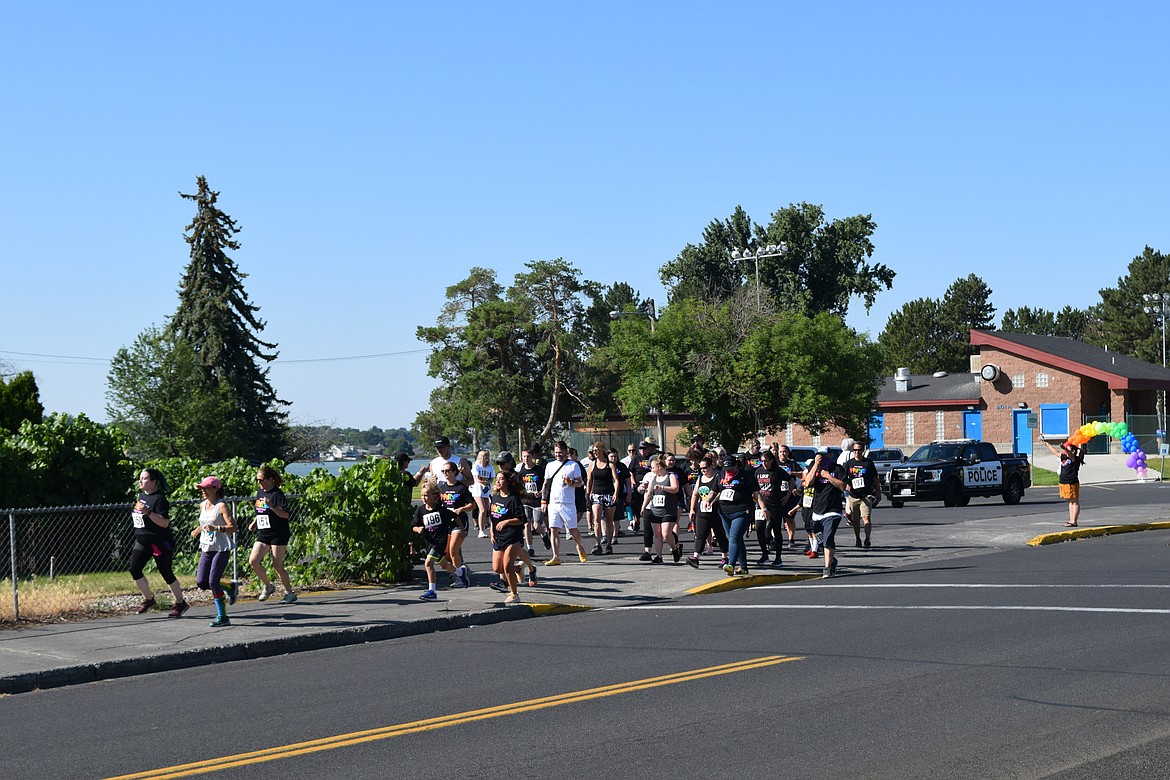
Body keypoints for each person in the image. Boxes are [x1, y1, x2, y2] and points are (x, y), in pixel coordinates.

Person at [129, 468, 188, 617]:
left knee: (166, 573)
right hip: (142, 541)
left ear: (154, 481)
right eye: (140, 478)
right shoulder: (141, 495)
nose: (140, 481)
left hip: (159, 542)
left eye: (144, 479)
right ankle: (149, 600)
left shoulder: (159, 499)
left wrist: (148, 512)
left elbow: (164, 523)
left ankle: (180, 602)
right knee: (134, 569)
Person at [192, 476, 237, 627]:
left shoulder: (221, 506)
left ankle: (223, 617)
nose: (203, 491)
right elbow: (204, 522)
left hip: (221, 548)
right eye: (202, 488)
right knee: (202, 582)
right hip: (207, 546)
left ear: (215, 489)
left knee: (213, 581)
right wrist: (198, 529)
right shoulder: (202, 505)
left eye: (206, 488)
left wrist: (217, 528)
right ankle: (229, 587)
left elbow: (233, 527)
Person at [249, 465, 297, 603]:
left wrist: (272, 506)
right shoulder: (260, 493)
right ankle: (268, 586)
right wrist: (254, 522)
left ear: (270, 479)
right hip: (264, 532)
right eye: (257, 480)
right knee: (253, 561)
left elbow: (285, 514)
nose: (259, 483)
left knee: (277, 565)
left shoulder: (277, 494)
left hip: (278, 533)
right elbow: (260, 512)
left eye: (261, 480)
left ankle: (289, 592)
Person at [540, 440, 588, 565]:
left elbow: (580, 483)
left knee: (572, 529)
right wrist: (543, 501)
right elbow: (546, 484)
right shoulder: (550, 466)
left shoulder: (573, 465)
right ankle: (556, 556)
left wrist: (571, 482)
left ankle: (579, 545)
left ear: (566, 452)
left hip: (568, 502)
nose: (558, 455)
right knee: (553, 529)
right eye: (556, 453)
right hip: (553, 503)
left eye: (560, 453)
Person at [412, 484, 460, 600]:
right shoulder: (420, 510)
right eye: (422, 495)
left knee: (428, 563)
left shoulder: (441, 510)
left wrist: (462, 530)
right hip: (429, 541)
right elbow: (413, 525)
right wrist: (418, 529)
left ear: (434, 496)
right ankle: (460, 572)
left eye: (426, 495)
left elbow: (455, 516)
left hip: (439, 542)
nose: (423, 498)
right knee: (444, 565)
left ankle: (432, 591)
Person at [489, 472, 528, 605]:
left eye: (501, 479)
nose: (498, 481)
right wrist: (492, 532)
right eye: (497, 479)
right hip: (499, 537)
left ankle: (514, 594)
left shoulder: (513, 499)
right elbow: (493, 518)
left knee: (506, 566)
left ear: (507, 482)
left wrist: (507, 522)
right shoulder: (494, 498)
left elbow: (522, 519)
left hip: (513, 537)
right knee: (497, 569)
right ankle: (518, 569)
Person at [717, 453, 759, 576]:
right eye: (726, 469)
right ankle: (744, 567)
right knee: (735, 539)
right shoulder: (720, 475)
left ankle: (731, 565)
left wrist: (764, 508)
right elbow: (715, 491)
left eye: (730, 469)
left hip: (742, 510)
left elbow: (756, 494)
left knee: (734, 537)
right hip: (724, 511)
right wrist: (708, 501)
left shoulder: (747, 476)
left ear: (736, 466)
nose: (728, 472)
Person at [809, 447, 849, 578]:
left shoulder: (838, 469)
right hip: (817, 510)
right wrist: (815, 465)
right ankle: (832, 559)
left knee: (828, 537)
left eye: (825, 455)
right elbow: (808, 482)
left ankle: (827, 568)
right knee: (818, 536)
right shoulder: (814, 467)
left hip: (833, 510)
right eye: (820, 455)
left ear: (830, 455)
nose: (823, 458)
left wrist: (827, 476)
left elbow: (843, 486)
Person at [637, 454, 682, 563]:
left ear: (659, 467)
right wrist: (643, 507)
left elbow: (675, 489)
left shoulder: (670, 476)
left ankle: (675, 549)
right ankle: (659, 556)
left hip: (668, 510)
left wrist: (662, 487)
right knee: (657, 534)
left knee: (666, 533)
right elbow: (649, 494)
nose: (651, 470)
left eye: (653, 467)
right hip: (655, 509)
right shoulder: (653, 478)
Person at [436, 463, 475, 588]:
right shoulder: (442, 488)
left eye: (448, 471)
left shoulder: (461, 488)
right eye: (443, 471)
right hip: (447, 523)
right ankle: (461, 569)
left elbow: (472, 505)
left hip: (460, 523)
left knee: (453, 550)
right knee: (447, 553)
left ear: (454, 472)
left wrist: (461, 509)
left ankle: (460, 577)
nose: (445, 473)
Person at [686, 455, 729, 568]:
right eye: (701, 469)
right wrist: (692, 509)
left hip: (716, 511)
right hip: (702, 511)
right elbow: (695, 494)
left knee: (720, 535)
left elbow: (721, 492)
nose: (703, 470)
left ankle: (725, 557)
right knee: (700, 535)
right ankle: (696, 557)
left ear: (711, 466)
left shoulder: (717, 477)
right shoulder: (700, 478)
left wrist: (713, 500)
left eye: (705, 468)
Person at [753, 448, 790, 567]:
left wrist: (787, 496)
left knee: (776, 530)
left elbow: (792, 481)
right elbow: (754, 488)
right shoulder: (758, 471)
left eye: (767, 461)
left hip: (774, 504)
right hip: (761, 504)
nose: (764, 463)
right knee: (759, 529)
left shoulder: (778, 471)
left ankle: (778, 557)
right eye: (762, 461)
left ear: (772, 460)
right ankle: (764, 554)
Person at [844, 442, 882, 548]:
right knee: (856, 520)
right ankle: (857, 538)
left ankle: (867, 539)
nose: (857, 452)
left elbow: (875, 479)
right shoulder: (849, 464)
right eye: (855, 450)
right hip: (853, 496)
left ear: (863, 451)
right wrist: (846, 485)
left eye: (859, 450)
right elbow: (843, 477)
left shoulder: (868, 463)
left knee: (866, 518)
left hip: (866, 496)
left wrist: (878, 493)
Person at [586, 440, 620, 555]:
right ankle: (597, 544)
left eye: (596, 450)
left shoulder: (610, 465)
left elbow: (616, 480)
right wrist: (588, 493)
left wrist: (616, 493)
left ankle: (609, 544)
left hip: (609, 494)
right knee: (596, 519)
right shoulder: (592, 465)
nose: (594, 453)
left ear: (602, 451)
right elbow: (589, 480)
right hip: (596, 494)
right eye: (593, 451)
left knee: (609, 520)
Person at [1044, 440, 1086, 526]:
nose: (1064, 451)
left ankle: (1074, 521)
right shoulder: (1064, 457)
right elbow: (1056, 452)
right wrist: (1049, 445)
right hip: (1063, 482)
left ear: (1073, 451)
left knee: (1074, 501)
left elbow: (1070, 455)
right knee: (1070, 502)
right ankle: (1071, 520)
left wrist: (1065, 448)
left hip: (1071, 482)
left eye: (1068, 448)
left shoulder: (1074, 458)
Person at [518, 448, 551, 553]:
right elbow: (519, 487)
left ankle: (544, 535)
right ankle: (530, 548)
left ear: (533, 457)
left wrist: (541, 493)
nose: (526, 459)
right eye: (524, 456)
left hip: (537, 501)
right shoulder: (521, 472)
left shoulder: (539, 470)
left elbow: (546, 485)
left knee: (536, 526)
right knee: (526, 524)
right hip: (525, 501)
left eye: (528, 456)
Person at [471, 450, 495, 538]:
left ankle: (485, 525)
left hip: (486, 490)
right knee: (482, 509)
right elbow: (476, 478)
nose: (487, 458)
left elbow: (492, 478)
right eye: (485, 456)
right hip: (478, 490)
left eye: (488, 456)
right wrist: (482, 484)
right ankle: (481, 531)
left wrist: (487, 484)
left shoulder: (490, 467)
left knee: (487, 509)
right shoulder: (477, 465)